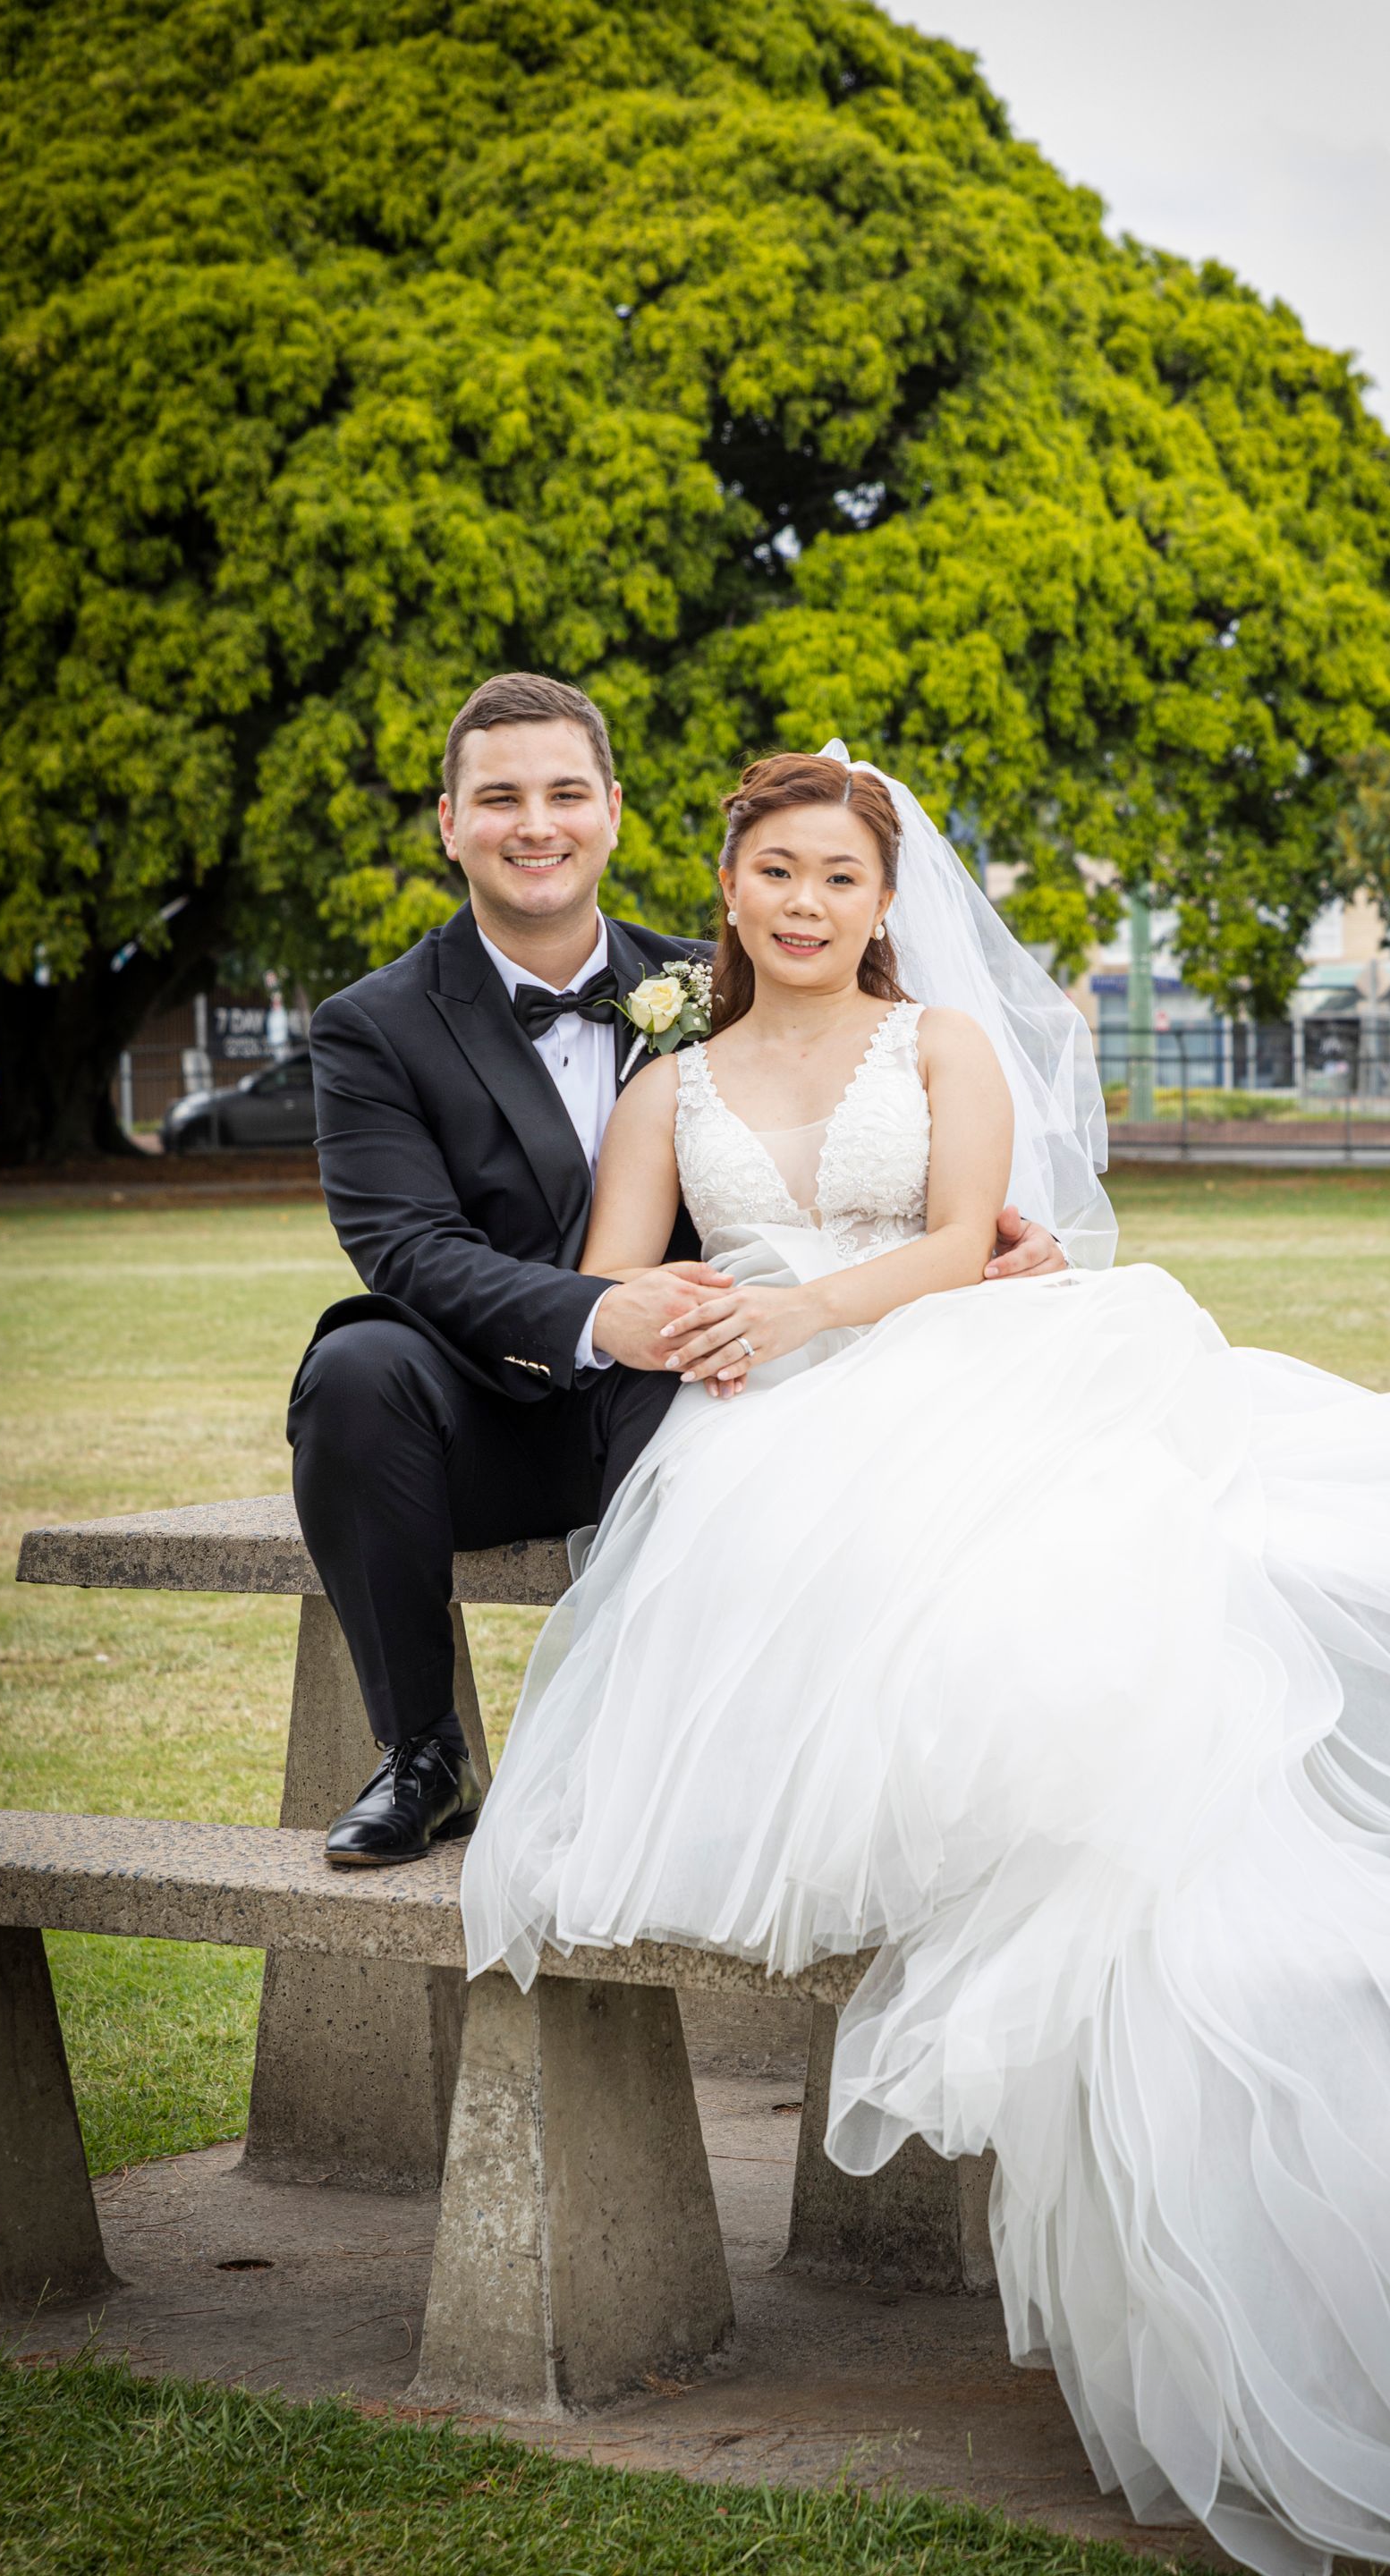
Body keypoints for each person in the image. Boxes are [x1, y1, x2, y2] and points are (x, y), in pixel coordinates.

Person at [463, 744, 1390, 2576]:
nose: (804, 903)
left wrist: (808, 1301)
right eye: (774, 873)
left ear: (886, 905)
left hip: (957, 1356)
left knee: (1164, 1574)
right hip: (762, 1433)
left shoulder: (941, 1048)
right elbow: (613, 1287)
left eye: (838, 878)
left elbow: (965, 1241)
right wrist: (695, 1325)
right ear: (723, 890)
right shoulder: (663, 1088)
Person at [287, 674, 1065, 1866]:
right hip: (503, 1396)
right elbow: (408, 1250)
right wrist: (603, 1312)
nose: (534, 824)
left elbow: (862, 1133)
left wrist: (993, 1239)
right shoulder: (372, 1025)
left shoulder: (735, 969)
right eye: (498, 798)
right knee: (353, 1366)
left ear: (611, 809)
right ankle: (423, 1753)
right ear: (451, 823)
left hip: (709, 1386)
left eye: (562, 794)